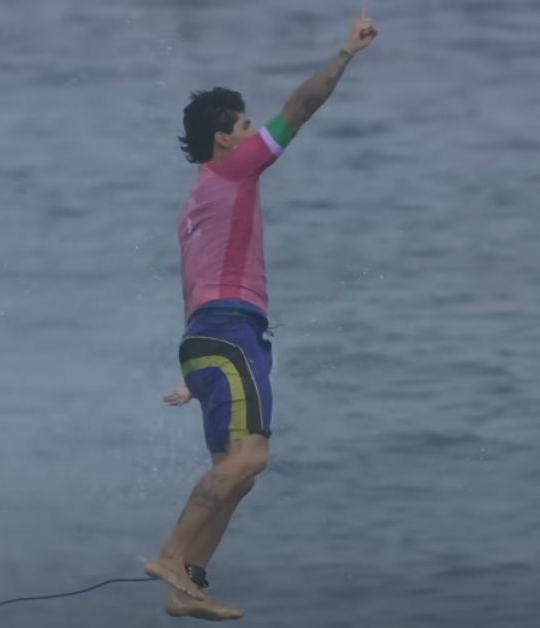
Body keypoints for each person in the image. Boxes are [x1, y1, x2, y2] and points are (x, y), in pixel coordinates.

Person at [144, 5, 379, 621]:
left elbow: (192, 285)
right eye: (246, 123)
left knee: (235, 471)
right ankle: (170, 555)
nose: (255, 131)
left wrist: (194, 371)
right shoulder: (234, 166)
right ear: (225, 137)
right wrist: (346, 53)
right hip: (228, 331)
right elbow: (302, 107)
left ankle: (186, 587)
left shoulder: (196, 199)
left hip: (209, 337)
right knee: (252, 457)